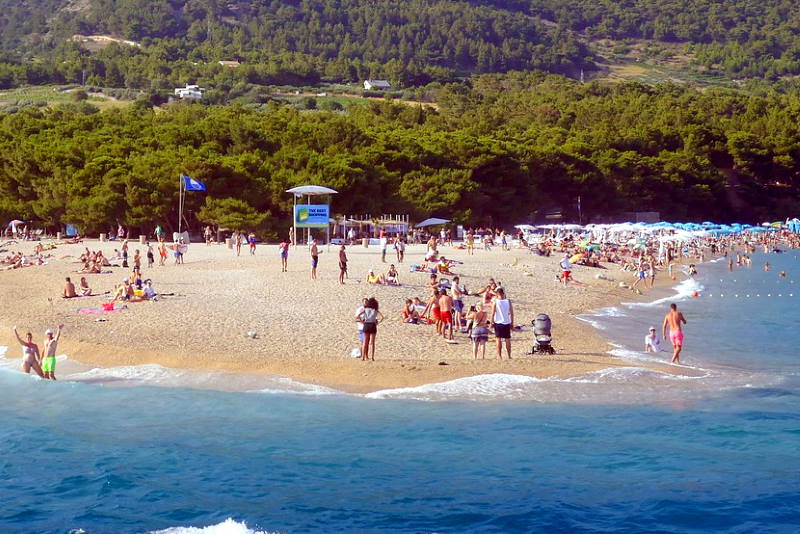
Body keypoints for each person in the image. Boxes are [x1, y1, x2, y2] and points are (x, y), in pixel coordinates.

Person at [490, 287, 513, 359]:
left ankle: (499, 355)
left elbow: (493, 313)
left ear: (497, 294)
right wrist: (512, 322)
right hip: (506, 322)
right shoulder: (508, 301)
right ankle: (509, 355)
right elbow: (512, 313)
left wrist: (491, 322)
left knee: (498, 339)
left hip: (498, 322)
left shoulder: (496, 301)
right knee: (507, 339)